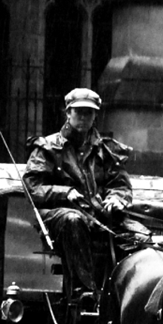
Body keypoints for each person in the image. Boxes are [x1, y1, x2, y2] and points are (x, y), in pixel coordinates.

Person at [25, 88, 134, 300]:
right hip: (57, 217)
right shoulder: (48, 148)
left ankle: (128, 294)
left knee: (140, 237)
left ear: (95, 116)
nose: (83, 117)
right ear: (68, 113)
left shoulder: (105, 150)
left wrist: (115, 200)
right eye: (78, 112)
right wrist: (65, 193)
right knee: (73, 221)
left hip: (99, 216)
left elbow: (120, 184)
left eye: (89, 113)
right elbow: (33, 187)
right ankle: (84, 293)